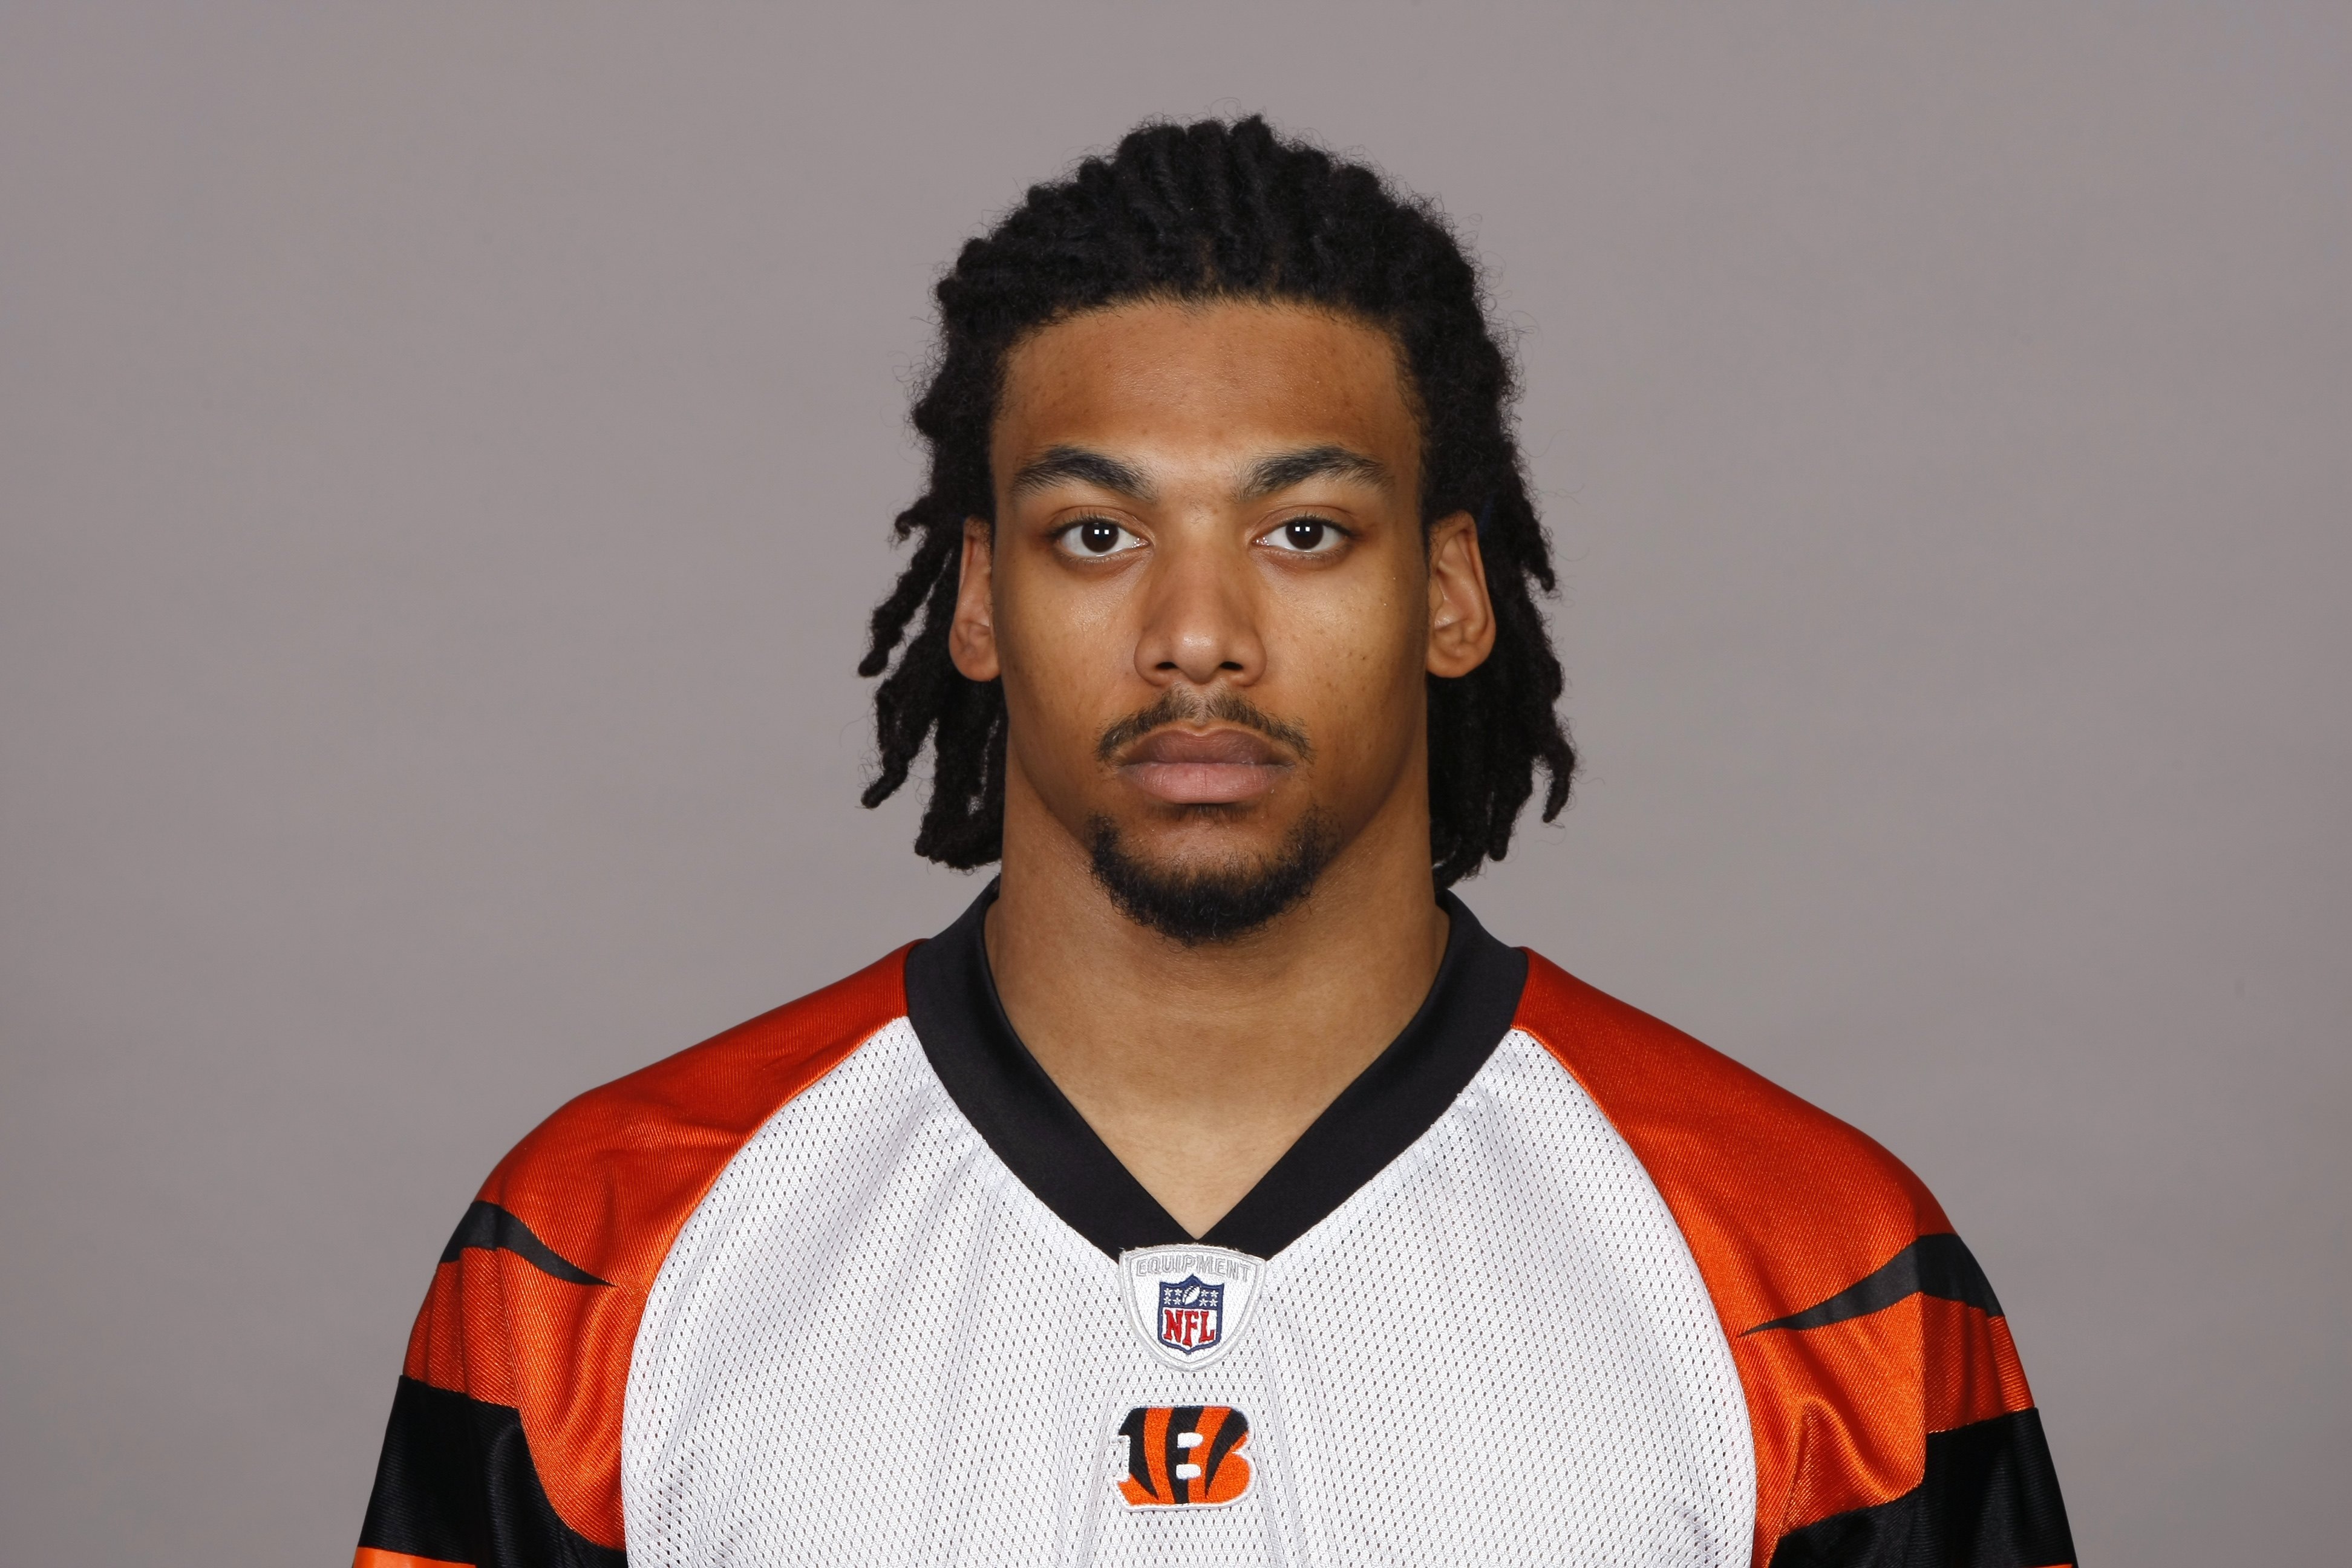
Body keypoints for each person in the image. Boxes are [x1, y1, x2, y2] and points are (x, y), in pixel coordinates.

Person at [353, 117, 2073, 1568]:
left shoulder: (1823, 1282)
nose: (1196, 632)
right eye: (1096, 532)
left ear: (1452, 593)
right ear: (976, 600)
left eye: (1306, 530)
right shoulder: (595, 1255)